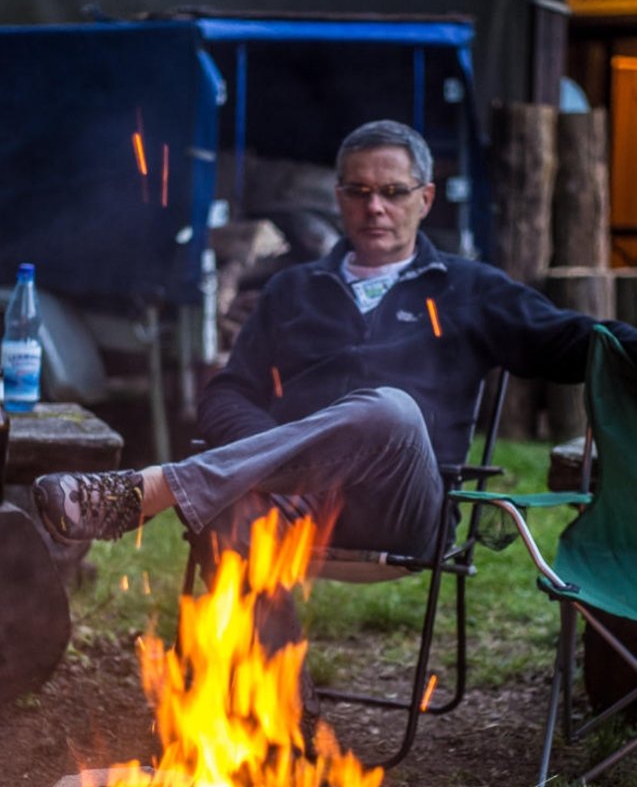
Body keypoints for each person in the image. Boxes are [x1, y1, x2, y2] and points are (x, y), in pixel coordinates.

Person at [32, 118, 637, 706]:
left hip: (401, 508)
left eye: (393, 191)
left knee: (392, 410)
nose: (375, 207)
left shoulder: (469, 288)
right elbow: (227, 393)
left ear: (425, 198)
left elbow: (580, 342)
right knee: (232, 508)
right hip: (293, 501)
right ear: (339, 196)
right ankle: (279, 719)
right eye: (358, 190)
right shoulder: (292, 290)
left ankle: (150, 490)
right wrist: (271, 458)